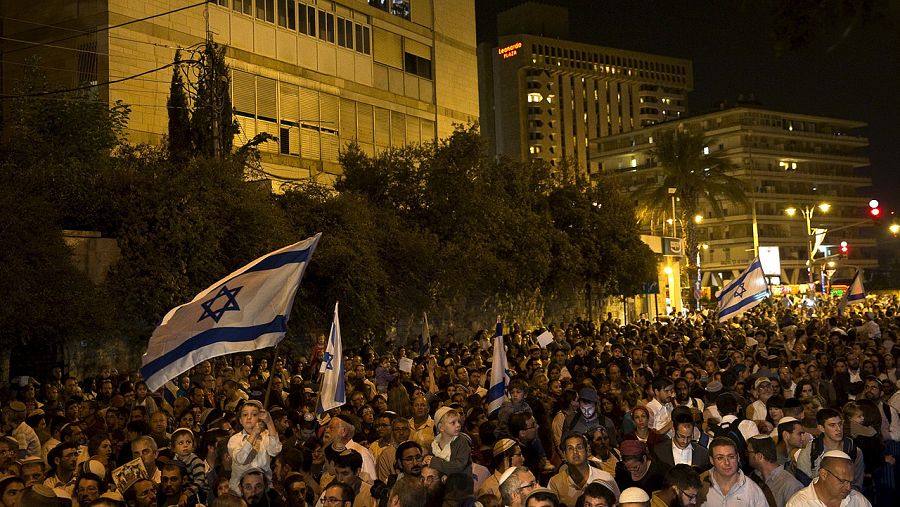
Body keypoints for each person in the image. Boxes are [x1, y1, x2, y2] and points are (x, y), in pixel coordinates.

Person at [795, 408, 864, 490]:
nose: (838, 429)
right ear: (821, 428)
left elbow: (857, 485)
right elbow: (803, 483)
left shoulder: (854, 451)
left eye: (840, 424)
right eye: (832, 425)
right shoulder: (810, 451)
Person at [547, 433, 618, 506]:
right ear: (564, 454)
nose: (575, 452)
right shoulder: (555, 482)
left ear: (587, 451)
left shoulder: (605, 478)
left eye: (579, 447)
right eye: (570, 448)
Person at [422, 407, 474, 507]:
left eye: (458, 421)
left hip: (460, 492)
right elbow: (433, 465)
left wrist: (434, 462)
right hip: (443, 491)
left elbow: (458, 466)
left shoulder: (461, 442)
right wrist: (426, 460)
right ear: (441, 427)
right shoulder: (434, 444)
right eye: (453, 423)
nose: (458, 425)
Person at [228, 401, 282, 494]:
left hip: (263, 490)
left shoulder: (266, 435)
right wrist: (253, 434)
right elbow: (241, 459)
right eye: (245, 415)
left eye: (254, 414)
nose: (249, 417)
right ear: (240, 420)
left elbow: (275, 450)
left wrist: (269, 422)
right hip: (239, 492)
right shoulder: (235, 439)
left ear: (260, 419)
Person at [786, 450, 872, 507]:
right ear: (823, 474)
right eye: (842, 481)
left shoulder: (858, 501)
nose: (848, 488)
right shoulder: (799, 503)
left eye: (850, 482)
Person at [702, 437, 768, 507]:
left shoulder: (753, 490)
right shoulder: (700, 485)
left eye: (731, 457)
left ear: (738, 457)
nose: (727, 462)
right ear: (712, 460)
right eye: (720, 458)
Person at [746, 435, 802, 507]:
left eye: (748, 452)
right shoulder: (753, 477)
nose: (746, 455)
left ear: (759, 456)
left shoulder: (790, 485)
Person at [171, 428, 207, 503]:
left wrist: (186, 494)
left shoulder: (196, 461)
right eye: (181, 443)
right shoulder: (173, 462)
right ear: (173, 448)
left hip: (198, 493)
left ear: (193, 445)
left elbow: (200, 481)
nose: (185, 445)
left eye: (188, 442)